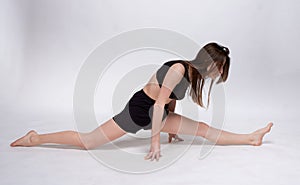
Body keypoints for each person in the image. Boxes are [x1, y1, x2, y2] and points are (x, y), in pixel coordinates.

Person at [10, 42, 273, 162]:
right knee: (88, 142)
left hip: (155, 111)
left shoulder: (191, 75)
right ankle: (36, 138)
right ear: (211, 62)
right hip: (139, 110)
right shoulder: (180, 69)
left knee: (202, 129)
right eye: (219, 69)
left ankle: (250, 138)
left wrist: (171, 131)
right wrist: (155, 141)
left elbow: (169, 101)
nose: (218, 74)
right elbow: (157, 105)